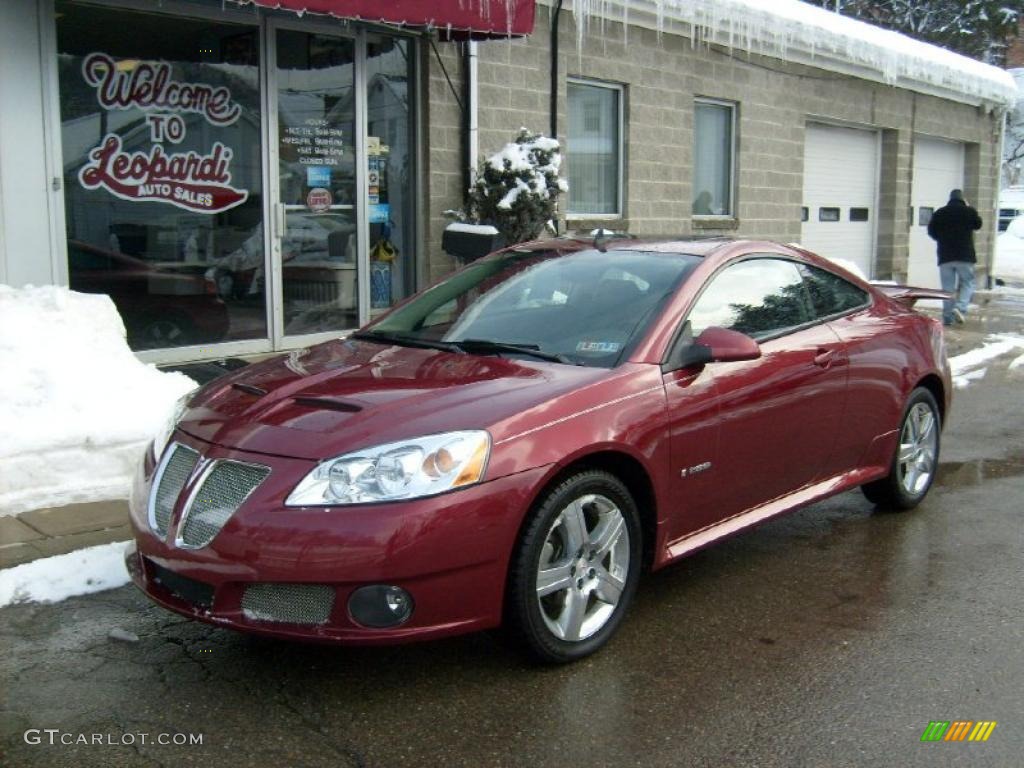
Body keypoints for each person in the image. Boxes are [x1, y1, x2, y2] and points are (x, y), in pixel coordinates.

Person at [927, 188, 982, 326]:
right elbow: (978, 224)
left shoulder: (940, 213)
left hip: (945, 256)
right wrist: (969, 208)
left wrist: (942, 238)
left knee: (947, 289)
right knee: (968, 283)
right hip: (965, 256)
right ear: (962, 199)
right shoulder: (969, 211)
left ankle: (947, 317)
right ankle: (960, 307)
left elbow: (931, 231)